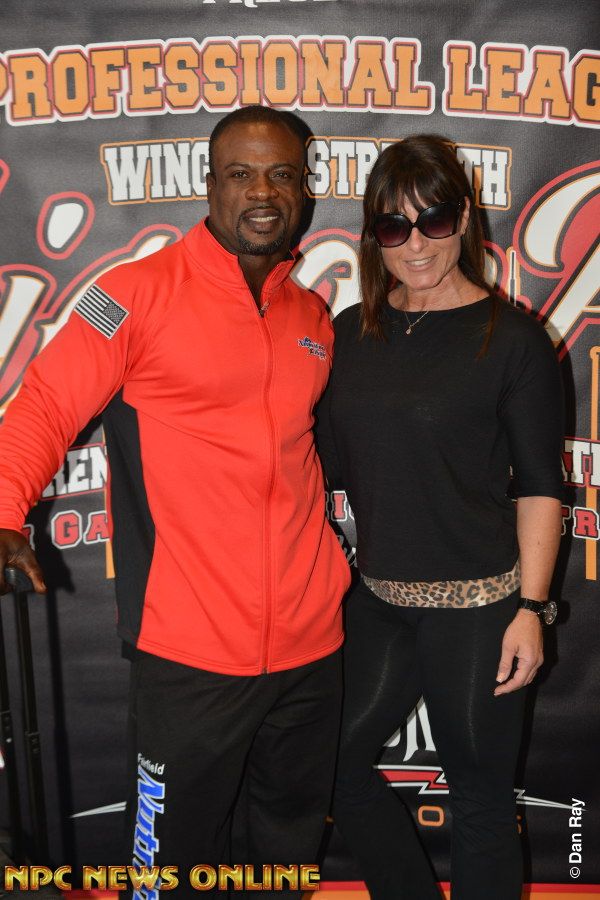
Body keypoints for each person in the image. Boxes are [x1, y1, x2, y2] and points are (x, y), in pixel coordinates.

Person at [0, 105, 350, 894]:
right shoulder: (134, 293)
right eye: (241, 174)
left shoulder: (311, 315)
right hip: (190, 653)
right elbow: (45, 404)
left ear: (306, 186)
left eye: (282, 174)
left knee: (284, 863)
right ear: (208, 183)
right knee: (167, 875)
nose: (262, 192)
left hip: (312, 649)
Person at [315, 134, 564, 900]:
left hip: (481, 608)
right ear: (373, 235)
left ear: (463, 219)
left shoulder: (511, 339)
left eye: (433, 220)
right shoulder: (351, 331)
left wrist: (531, 611)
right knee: (330, 764)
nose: (416, 244)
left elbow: (541, 487)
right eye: (394, 226)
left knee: (480, 802)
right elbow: (319, 465)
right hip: (379, 600)